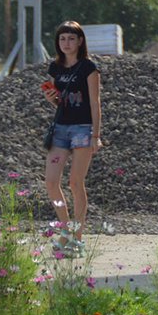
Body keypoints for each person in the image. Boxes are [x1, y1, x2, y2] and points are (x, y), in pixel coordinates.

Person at [43, 20, 112, 252]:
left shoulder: (88, 68)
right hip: (61, 128)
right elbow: (58, 102)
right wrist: (51, 98)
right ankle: (65, 229)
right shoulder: (55, 68)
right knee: (51, 182)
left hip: (83, 129)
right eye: (62, 39)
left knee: (75, 182)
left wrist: (96, 134)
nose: (66, 43)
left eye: (71, 38)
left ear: (80, 41)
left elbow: (95, 102)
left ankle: (77, 237)